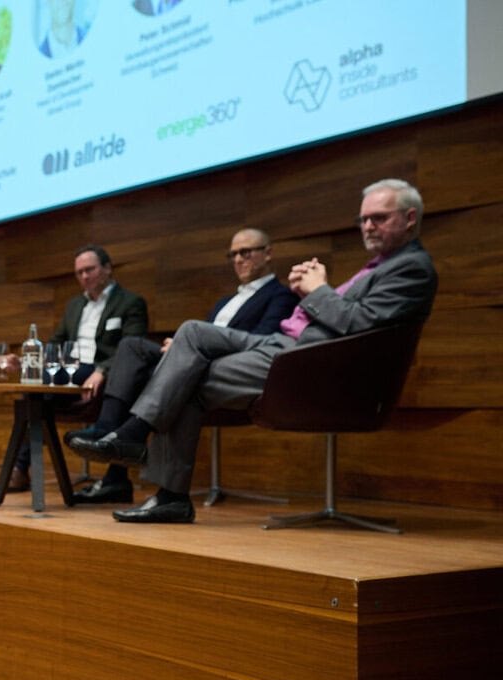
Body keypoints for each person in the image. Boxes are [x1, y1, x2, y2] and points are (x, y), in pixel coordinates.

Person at [77, 179, 438, 523]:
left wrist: (317, 290)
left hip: (306, 362)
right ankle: (136, 439)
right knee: (191, 331)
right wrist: (312, 293)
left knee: (188, 379)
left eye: (379, 218)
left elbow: (360, 324)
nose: (368, 226)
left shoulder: (412, 268)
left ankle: (158, 477)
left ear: (410, 218)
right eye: (363, 219)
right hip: (284, 344)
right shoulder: (383, 266)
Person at [65, 228, 298, 503]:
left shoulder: (281, 295)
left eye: (245, 252)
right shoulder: (226, 301)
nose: (238, 260)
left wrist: (188, 347)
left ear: (268, 253)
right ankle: (109, 433)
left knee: (166, 379)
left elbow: (260, 342)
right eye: (233, 254)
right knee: (132, 348)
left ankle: (126, 455)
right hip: (197, 359)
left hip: (228, 370)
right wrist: (179, 346)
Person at [0, 245, 148, 491]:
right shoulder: (75, 305)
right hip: (70, 371)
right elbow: (55, 345)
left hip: (105, 375)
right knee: (33, 394)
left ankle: (22, 466)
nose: (84, 276)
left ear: (107, 268)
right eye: (79, 272)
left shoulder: (130, 303)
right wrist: (25, 361)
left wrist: (102, 370)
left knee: (39, 394)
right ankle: (21, 469)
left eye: (90, 269)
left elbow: (134, 346)